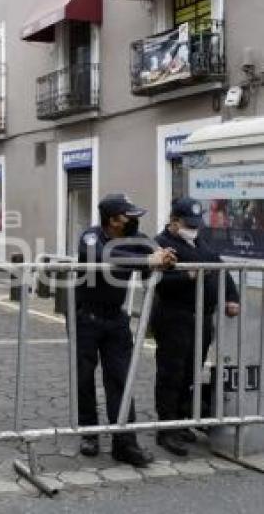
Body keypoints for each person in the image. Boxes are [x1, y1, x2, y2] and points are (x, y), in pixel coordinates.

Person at [75, 193, 176, 467]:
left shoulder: (136, 239)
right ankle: (89, 433)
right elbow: (102, 256)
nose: (134, 220)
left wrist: (164, 257)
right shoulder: (92, 237)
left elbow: (157, 253)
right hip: (86, 318)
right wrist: (147, 261)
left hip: (116, 320)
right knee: (84, 377)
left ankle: (125, 442)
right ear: (113, 220)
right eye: (128, 216)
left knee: (120, 378)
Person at [151, 197, 240, 456]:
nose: (194, 228)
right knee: (172, 372)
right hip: (174, 317)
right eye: (189, 223)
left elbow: (220, 269)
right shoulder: (161, 244)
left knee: (191, 372)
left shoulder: (201, 243)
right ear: (174, 221)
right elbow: (156, 281)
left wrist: (231, 298)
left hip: (201, 318)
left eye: (196, 224)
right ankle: (166, 429)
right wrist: (185, 276)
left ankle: (182, 420)